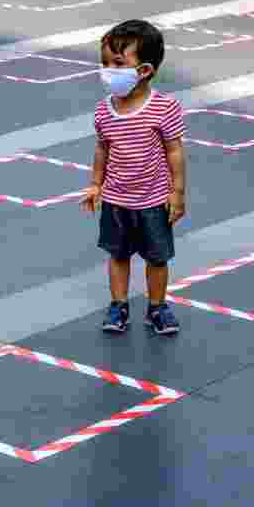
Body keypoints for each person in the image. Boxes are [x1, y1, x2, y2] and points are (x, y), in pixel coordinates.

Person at [80, 19, 187, 335]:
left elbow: (175, 152)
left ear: (144, 71)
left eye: (117, 63)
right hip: (115, 200)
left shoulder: (164, 108)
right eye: (105, 63)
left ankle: (157, 308)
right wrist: (96, 184)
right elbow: (102, 149)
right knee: (117, 255)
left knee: (157, 258)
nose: (108, 70)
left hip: (154, 201)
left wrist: (177, 192)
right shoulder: (103, 111)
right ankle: (119, 305)